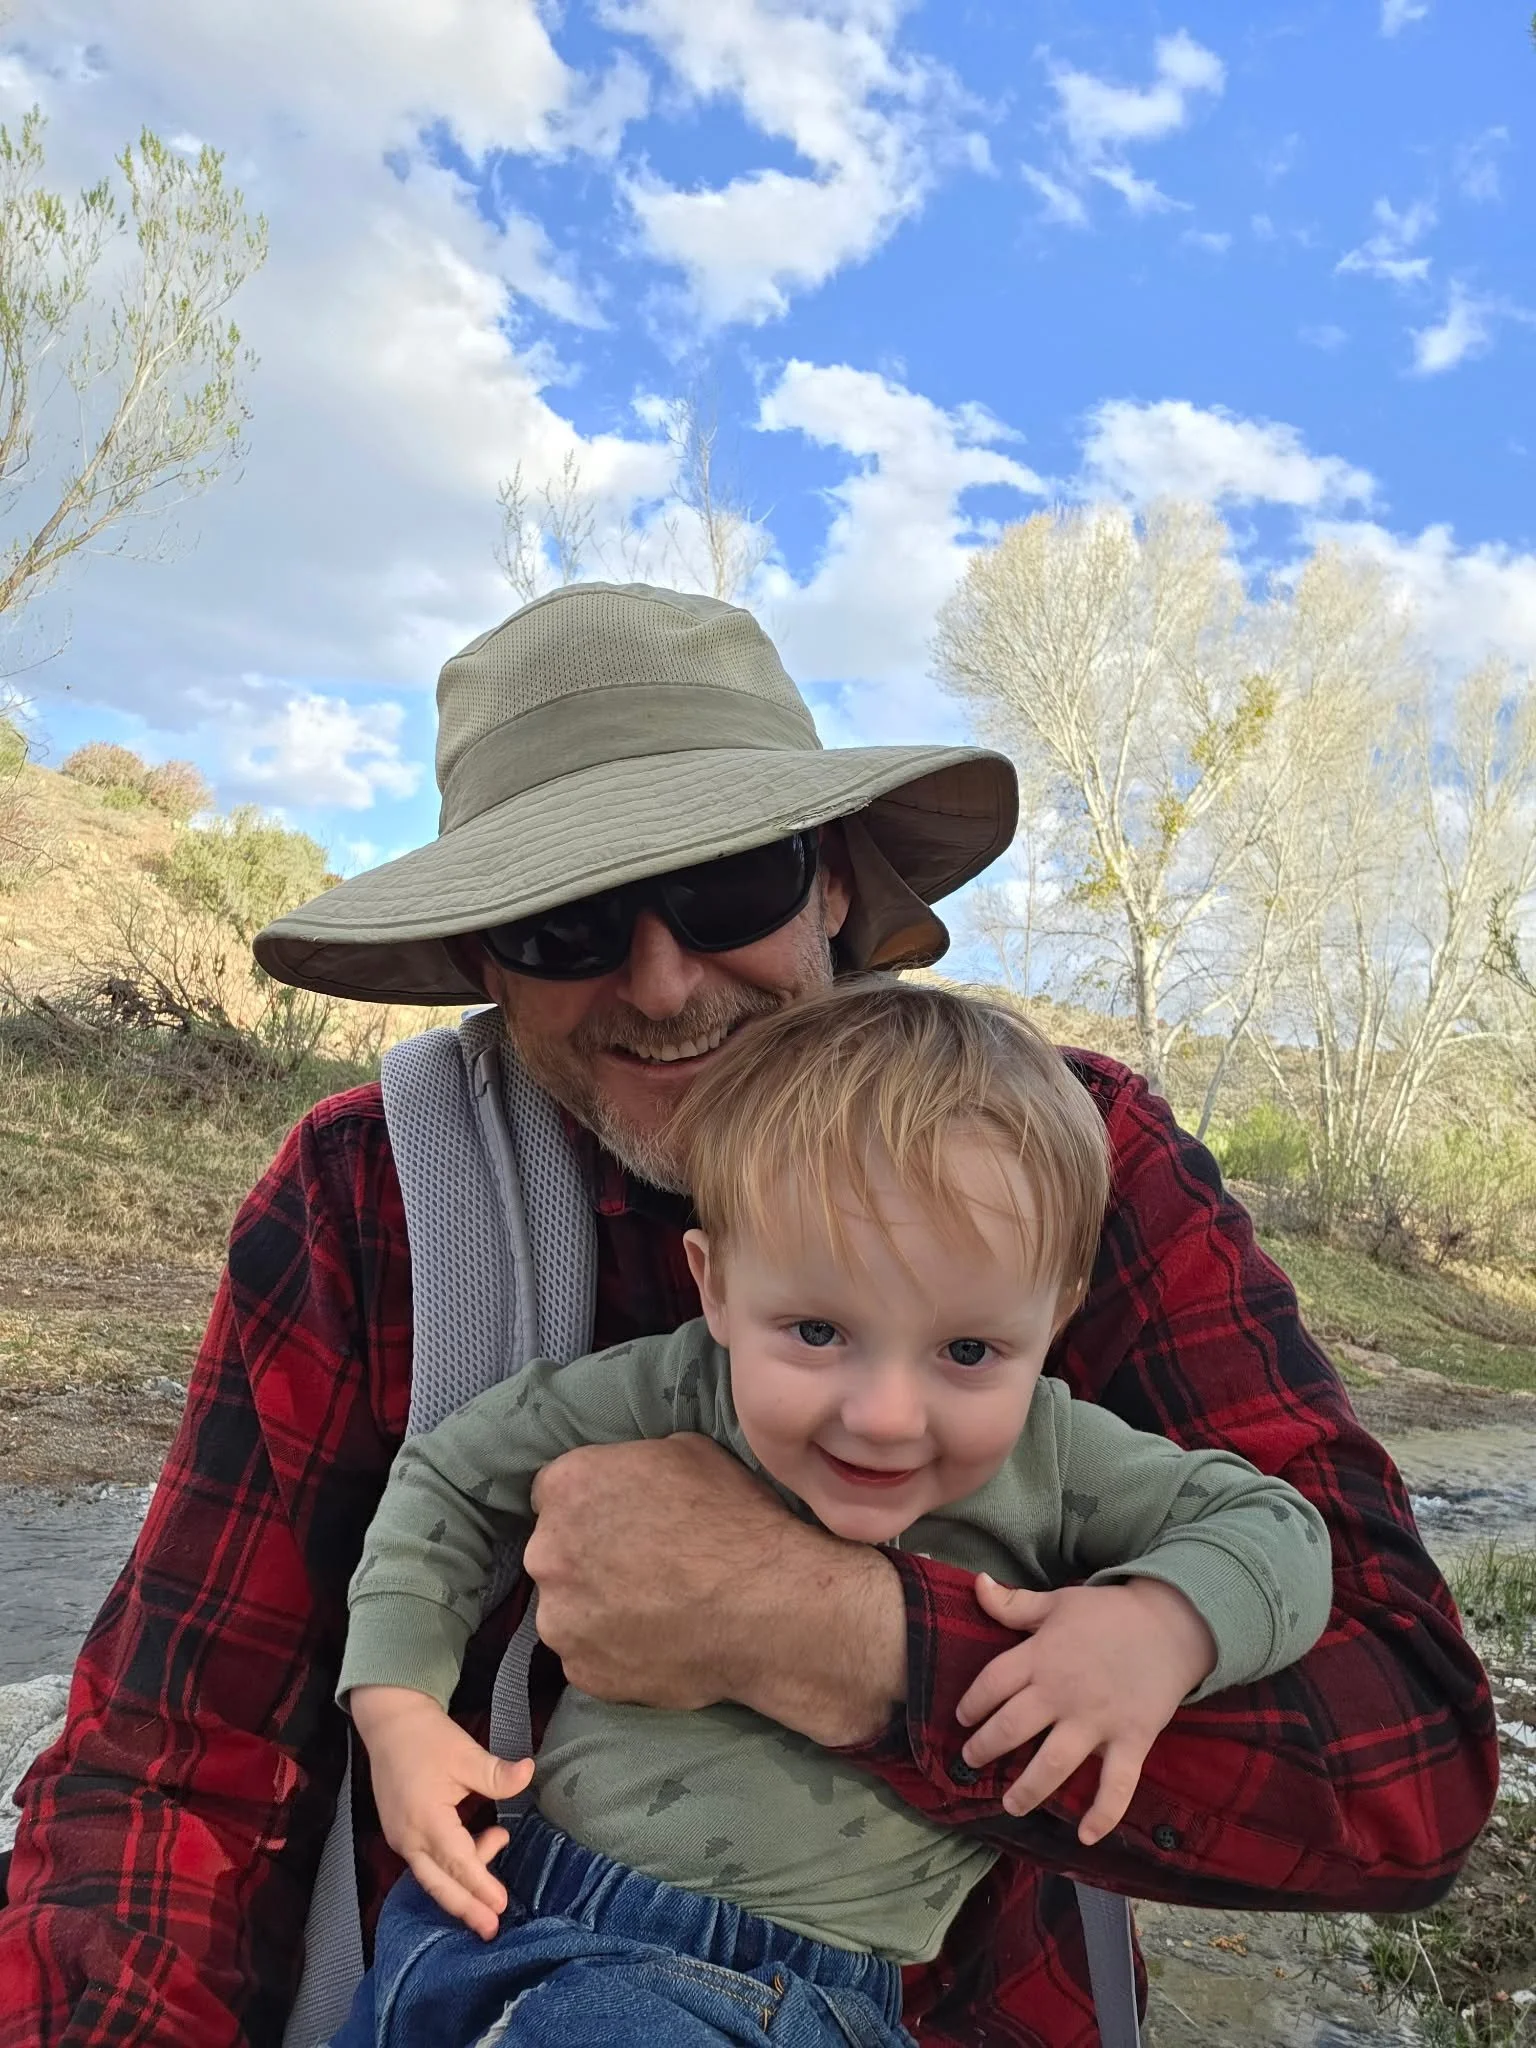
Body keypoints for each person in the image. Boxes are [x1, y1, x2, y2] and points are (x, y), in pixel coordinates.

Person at [0, 584, 1498, 2048]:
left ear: (831, 882)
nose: (661, 982)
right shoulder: (364, 1201)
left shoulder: (1069, 1161)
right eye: (569, 922)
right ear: (484, 958)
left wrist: (840, 1636)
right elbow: (174, 1755)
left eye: (727, 886)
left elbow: (1402, 1766)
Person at [328, 979, 1336, 2048]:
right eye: (816, 1330)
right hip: (485, 1908)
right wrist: (396, 1705)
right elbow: (450, 1474)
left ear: (1056, 1320)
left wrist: (1163, 1626)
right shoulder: (679, 1386)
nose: (886, 1415)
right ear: (715, 1287)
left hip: (780, 1997)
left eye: (967, 1351)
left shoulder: (1059, 1454)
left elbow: (1283, 1528)